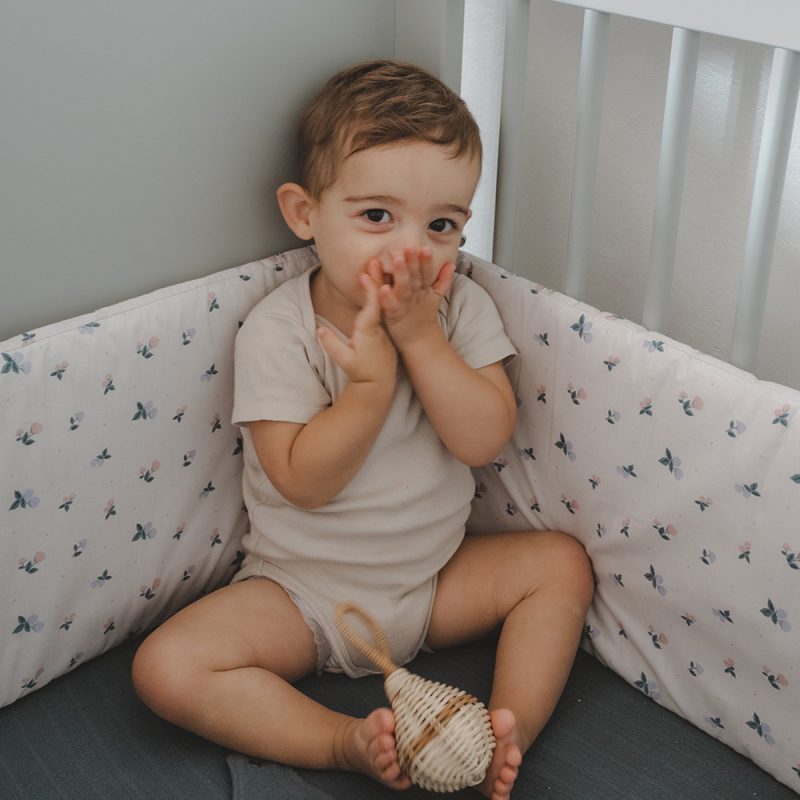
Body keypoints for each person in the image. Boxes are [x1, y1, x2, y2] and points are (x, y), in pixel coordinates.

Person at [132, 60, 594, 800]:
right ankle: (339, 741)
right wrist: (372, 386)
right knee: (167, 667)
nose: (413, 250)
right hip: (301, 593)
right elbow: (300, 482)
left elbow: (482, 440)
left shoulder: (461, 311)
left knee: (560, 565)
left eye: (442, 225)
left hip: (435, 579)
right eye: (378, 216)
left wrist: (422, 343)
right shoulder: (279, 329)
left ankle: (512, 728)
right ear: (304, 212)